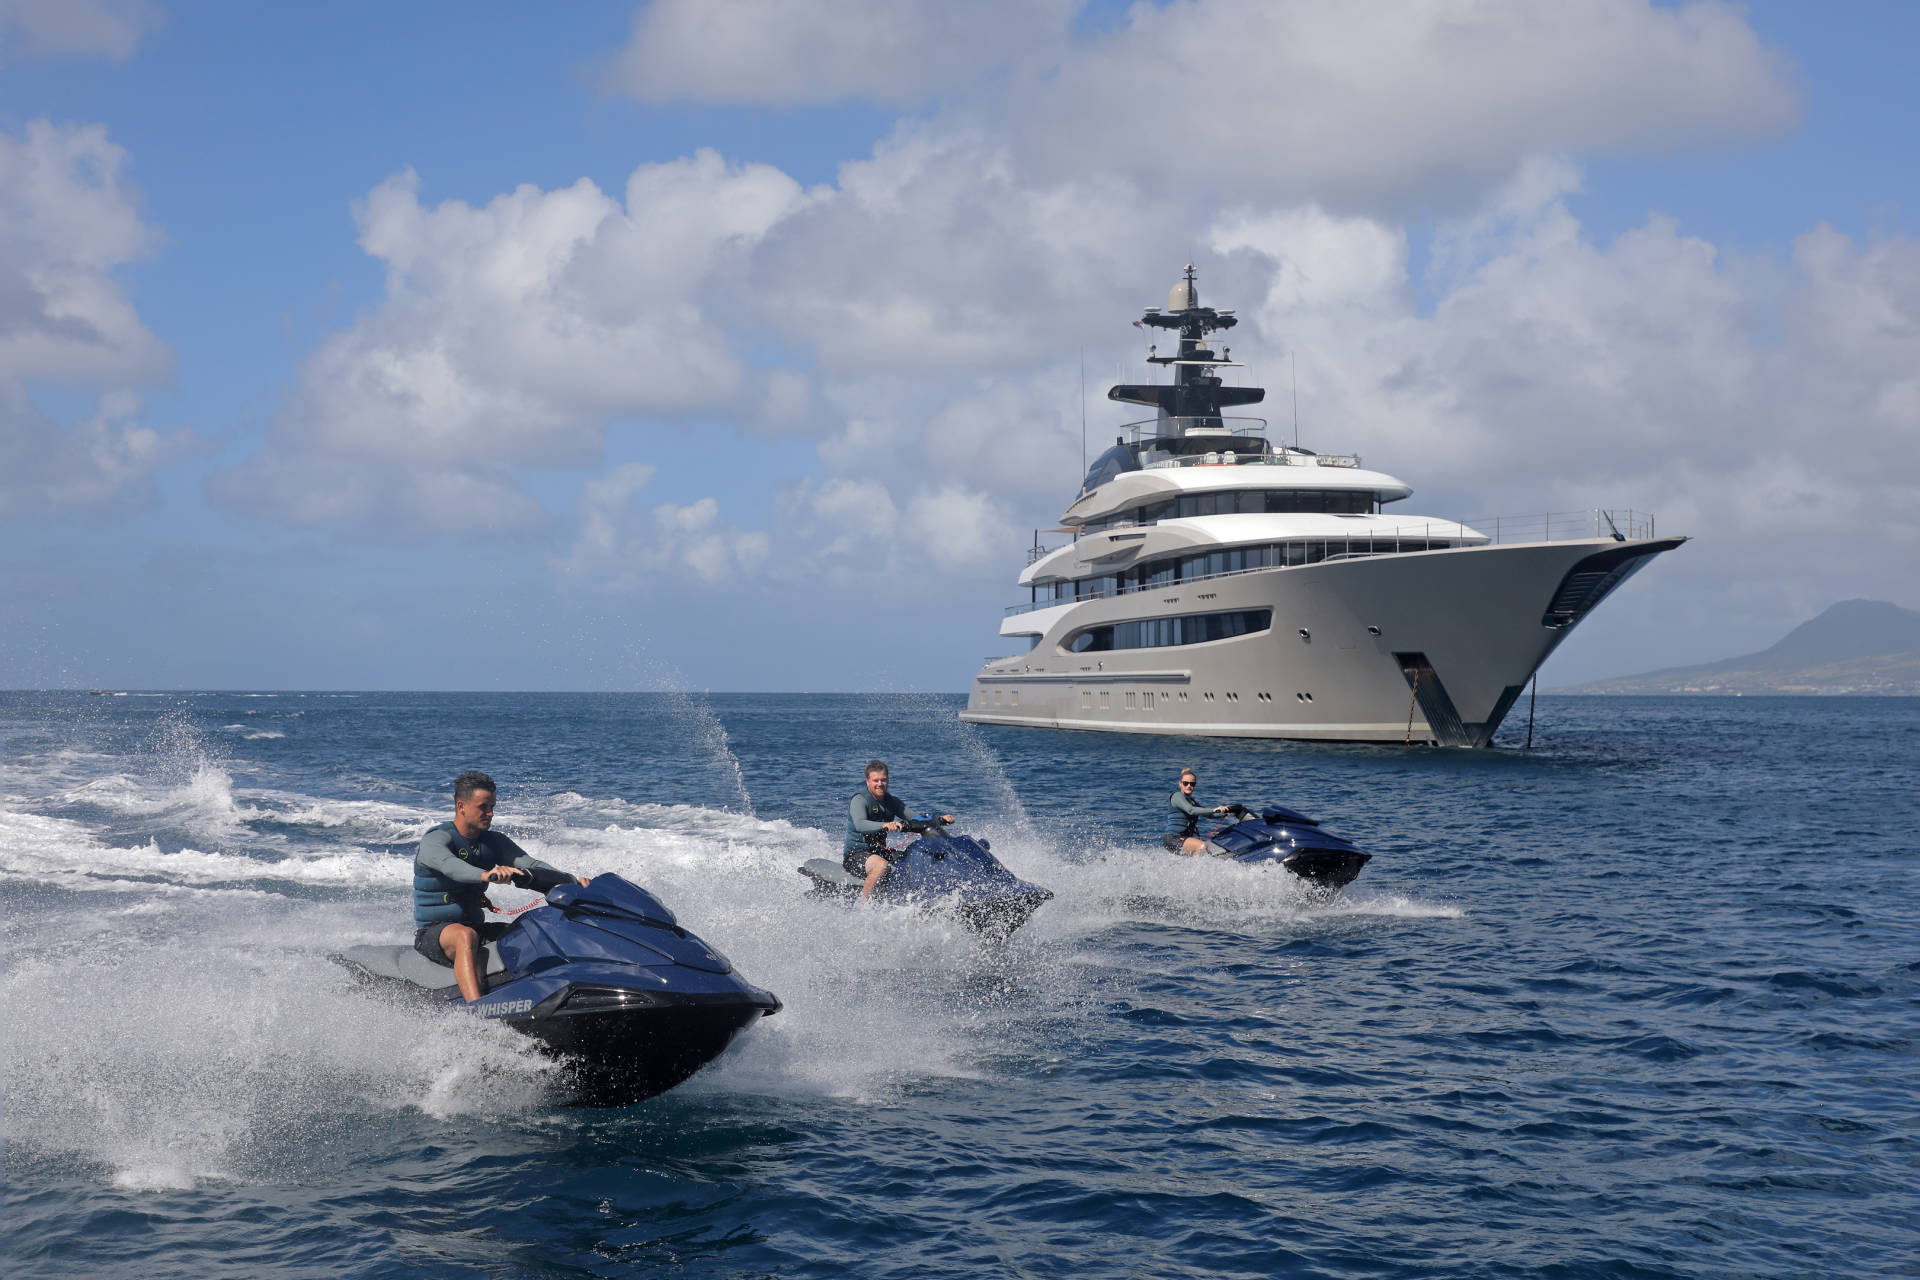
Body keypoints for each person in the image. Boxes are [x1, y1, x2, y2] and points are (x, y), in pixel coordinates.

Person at [414, 770, 589, 1002]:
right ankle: (476, 1012)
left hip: (476, 927)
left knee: (533, 931)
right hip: (435, 933)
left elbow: (531, 864)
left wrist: (572, 881)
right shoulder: (436, 839)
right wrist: (486, 874)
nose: (490, 813)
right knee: (465, 936)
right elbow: (450, 866)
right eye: (483, 807)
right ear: (461, 806)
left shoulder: (493, 842)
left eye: (493, 807)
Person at [843, 759, 954, 899]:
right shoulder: (860, 800)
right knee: (881, 866)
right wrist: (883, 825)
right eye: (875, 780)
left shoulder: (891, 801)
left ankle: (917, 897)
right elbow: (860, 824)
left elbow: (916, 818)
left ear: (887, 780)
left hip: (880, 852)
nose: (879, 784)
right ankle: (865, 906)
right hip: (856, 854)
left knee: (916, 859)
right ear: (867, 782)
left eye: (883, 780)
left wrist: (940, 820)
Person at [1163, 767, 1232, 856]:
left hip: (1183, 839)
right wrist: (1214, 809)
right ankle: (1196, 869)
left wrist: (1225, 813)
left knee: (1205, 851)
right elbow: (1191, 810)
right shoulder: (1177, 796)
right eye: (1185, 783)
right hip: (1173, 838)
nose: (1189, 786)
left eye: (1192, 784)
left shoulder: (1192, 802)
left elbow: (1209, 815)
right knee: (1201, 846)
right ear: (1180, 783)